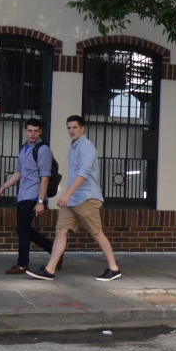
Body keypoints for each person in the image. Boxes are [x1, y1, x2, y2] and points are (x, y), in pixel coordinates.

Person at [26, 115, 122, 281]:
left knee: (97, 233)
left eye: (75, 127)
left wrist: (66, 194)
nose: (71, 130)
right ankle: (50, 270)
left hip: (86, 198)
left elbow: (83, 174)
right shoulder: (74, 146)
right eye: (69, 127)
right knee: (61, 231)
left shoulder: (86, 147)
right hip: (72, 199)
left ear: (82, 128)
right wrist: (68, 196)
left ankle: (114, 268)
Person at [0, 117, 58, 274]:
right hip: (23, 194)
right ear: (25, 131)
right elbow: (19, 173)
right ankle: (55, 250)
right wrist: (3, 188)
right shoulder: (24, 148)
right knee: (23, 228)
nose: (33, 134)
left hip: (34, 196)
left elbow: (45, 177)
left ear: (40, 131)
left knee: (22, 229)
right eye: (30, 130)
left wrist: (41, 201)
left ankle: (22, 264)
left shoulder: (43, 150)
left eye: (36, 131)